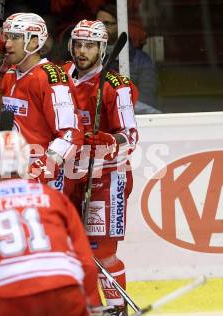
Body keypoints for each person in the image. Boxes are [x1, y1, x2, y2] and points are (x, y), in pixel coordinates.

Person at [0, 130, 100, 316]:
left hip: (10, 298)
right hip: (64, 291)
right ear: (25, 160)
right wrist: (92, 305)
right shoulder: (54, 198)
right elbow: (86, 262)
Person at [63, 20, 139, 315]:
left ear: (102, 48)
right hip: (71, 174)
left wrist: (107, 138)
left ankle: (118, 308)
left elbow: (130, 136)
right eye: (78, 44)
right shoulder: (60, 76)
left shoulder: (116, 86)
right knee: (72, 251)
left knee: (101, 252)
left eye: (90, 45)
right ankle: (91, 308)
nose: (82, 51)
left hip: (108, 175)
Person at [0, 12, 84, 193]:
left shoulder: (51, 77)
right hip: (13, 175)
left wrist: (38, 171)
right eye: (6, 37)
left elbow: (70, 134)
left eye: (15, 37)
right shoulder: (9, 74)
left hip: (45, 180)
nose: (7, 43)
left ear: (34, 41)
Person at [96, 4, 161, 114]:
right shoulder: (89, 58)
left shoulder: (141, 61)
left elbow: (147, 100)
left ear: (121, 25)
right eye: (97, 24)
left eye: (106, 24)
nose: (100, 28)